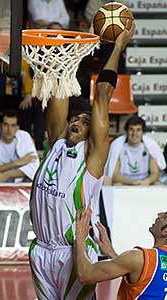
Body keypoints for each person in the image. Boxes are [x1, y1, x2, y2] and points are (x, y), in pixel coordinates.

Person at [28, 22, 135, 300]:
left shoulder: (92, 159)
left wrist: (116, 47)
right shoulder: (57, 144)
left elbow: (102, 96)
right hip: (40, 251)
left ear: (93, 134)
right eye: (76, 118)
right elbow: (58, 85)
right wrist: (65, 50)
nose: (77, 120)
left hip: (72, 252)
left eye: (86, 121)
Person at [75, 203, 167, 299]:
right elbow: (152, 283)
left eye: (165, 215)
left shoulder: (139, 258)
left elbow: (85, 274)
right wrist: (111, 253)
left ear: (166, 231)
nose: (159, 215)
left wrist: (80, 238)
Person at [0, 109, 39, 182]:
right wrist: (15, 163)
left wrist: (6, 175)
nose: (9, 129)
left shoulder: (24, 137)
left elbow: (35, 168)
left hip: (18, 187)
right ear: (0, 126)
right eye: (6, 124)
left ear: (17, 128)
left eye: (13, 125)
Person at [105, 115, 166, 185]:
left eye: (138, 130)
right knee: (116, 184)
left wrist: (147, 181)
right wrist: (133, 182)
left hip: (144, 182)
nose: (134, 134)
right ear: (126, 131)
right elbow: (114, 175)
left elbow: (155, 173)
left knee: (157, 184)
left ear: (143, 132)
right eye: (131, 129)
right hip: (125, 182)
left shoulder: (148, 147)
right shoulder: (119, 148)